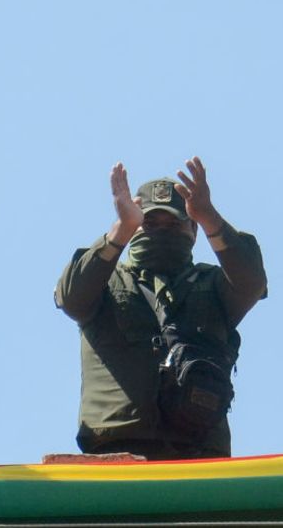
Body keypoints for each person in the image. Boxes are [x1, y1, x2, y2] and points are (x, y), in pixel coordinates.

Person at [55, 158, 267, 459]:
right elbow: (72, 297)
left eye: (174, 224)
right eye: (149, 224)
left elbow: (252, 282)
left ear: (193, 230)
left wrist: (210, 218)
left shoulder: (212, 284)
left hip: (200, 453)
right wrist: (120, 231)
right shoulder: (107, 278)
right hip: (117, 450)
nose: (160, 231)